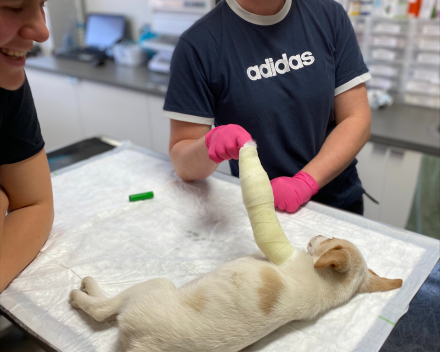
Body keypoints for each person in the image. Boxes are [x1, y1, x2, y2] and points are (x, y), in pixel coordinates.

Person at [165, 0, 371, 215]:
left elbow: (357, 118)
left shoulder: (329, 15)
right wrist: (209, 146)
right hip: (264, 210)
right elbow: (184, 165)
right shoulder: (198, 45)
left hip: (338, 204)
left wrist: (305, 182)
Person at [0, 0, 53, 293]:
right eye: (13, 6)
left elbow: (35, 203)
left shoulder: (8, 81)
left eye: (41, 4)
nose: (42, 31)